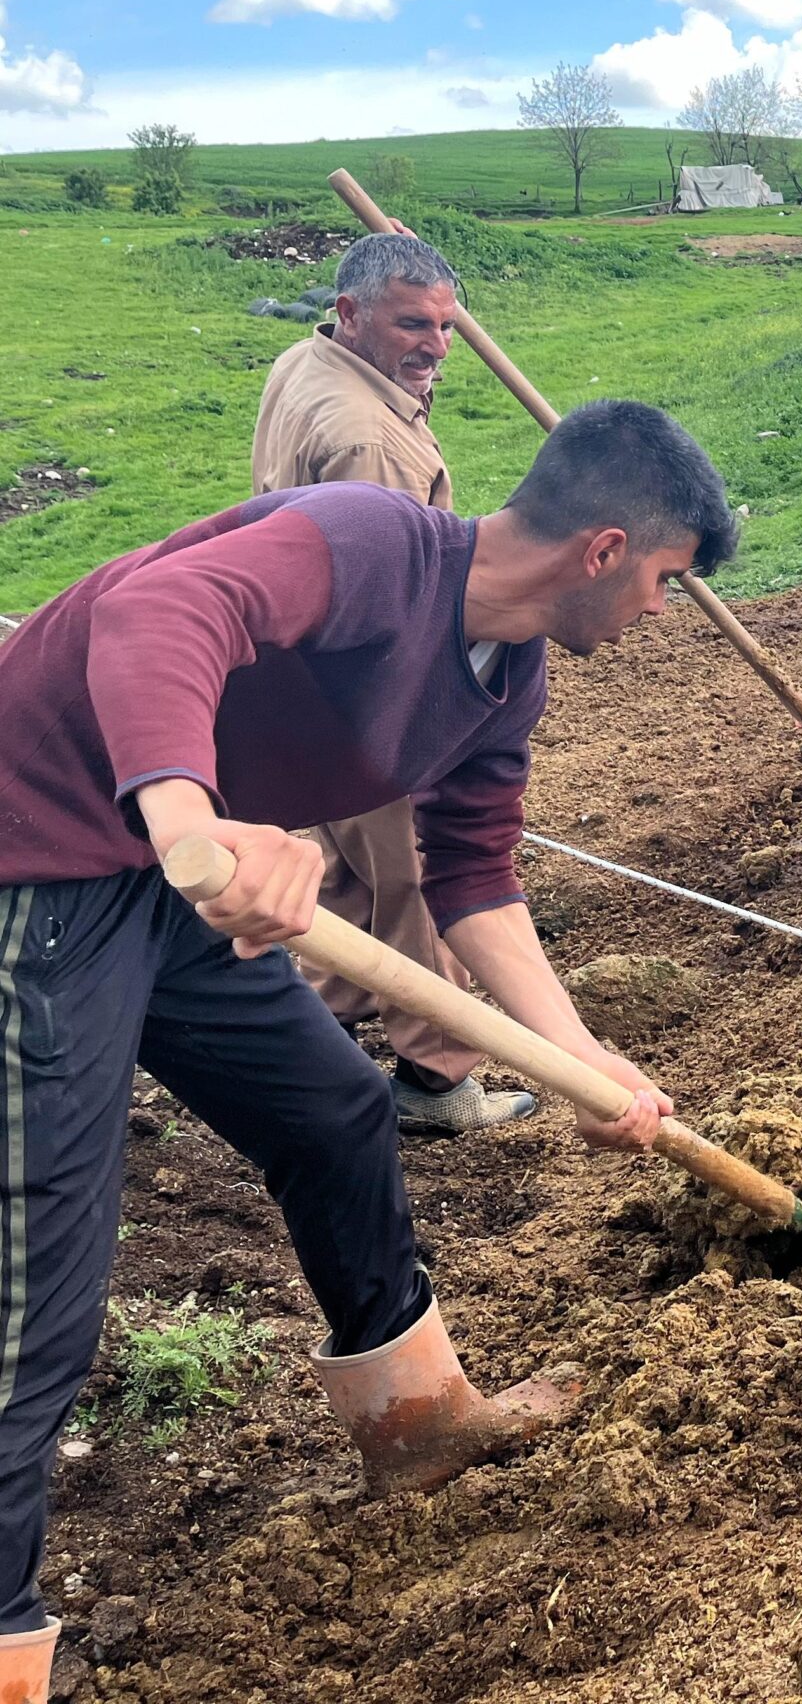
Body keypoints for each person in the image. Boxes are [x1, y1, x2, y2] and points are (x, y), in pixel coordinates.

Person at [0, 402, 733, 1699]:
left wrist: (578, 1058)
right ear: (606, 551)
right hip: (40, 853)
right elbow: (151, 617)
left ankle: (416, 1421)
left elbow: (474, 879)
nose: (662, 615)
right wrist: (193, 828)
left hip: (167, 880)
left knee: (335, 1110)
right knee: (39, 1275)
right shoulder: (369, 540)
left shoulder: (508, 674)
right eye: (669, 584)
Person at [251, 229, 535, 1137]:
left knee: (336, 872)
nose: (437, 346)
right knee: (412, 878)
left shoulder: (303, 364)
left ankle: (317, 1035)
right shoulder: (371, 443)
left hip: (292, 680)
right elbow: (401, 605)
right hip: (364, 698)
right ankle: (438, 1079)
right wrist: (427, 726)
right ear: (349, 314)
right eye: (413, 325)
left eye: (447, 326)